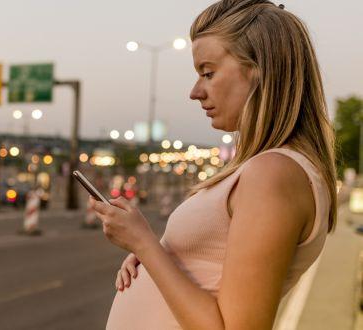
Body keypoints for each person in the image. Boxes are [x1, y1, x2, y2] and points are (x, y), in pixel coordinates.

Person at [90, 1, 337, 329]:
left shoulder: (273, 174)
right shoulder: (260, 169)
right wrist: (159, 258)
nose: (195, 92)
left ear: (260, 68)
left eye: (208, 72)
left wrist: (144, 245)